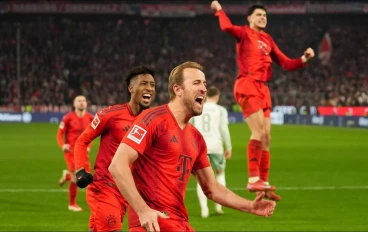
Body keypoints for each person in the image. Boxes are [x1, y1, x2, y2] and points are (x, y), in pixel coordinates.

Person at [109, 61, 276, 232]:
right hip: (154, 224)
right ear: (177, 90)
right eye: (196, 83)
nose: (203, 88)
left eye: (204, 83)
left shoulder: (196, 138)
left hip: (180, 222)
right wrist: (142, 210)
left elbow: (213, 188)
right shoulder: (152, 119)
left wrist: (250, 206)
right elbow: (117, 165)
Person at [211, 1, 315, 201]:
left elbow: (285, 63)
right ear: (249, 18)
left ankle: (264, 184)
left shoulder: (267, 39)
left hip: (263, 89)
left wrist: (303, 59)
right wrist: (219, 10)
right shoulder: (244, 33)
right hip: (247, 83)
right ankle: (252, 179)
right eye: (258, 15)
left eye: (265, 15)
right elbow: (226, 27)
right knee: (258, 131)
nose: (262, 18)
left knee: (267, 137)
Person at [73, 65, 156, 232]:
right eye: (144, 83)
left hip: (127, 192)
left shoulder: (152, 121)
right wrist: (80, 170)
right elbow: (82, 140)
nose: (149, 88)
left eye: (152, 85)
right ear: (131, 88)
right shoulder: (110, 115)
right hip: (105, 188)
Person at [191, 86, 232, 218]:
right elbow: (224, 129)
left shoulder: (196, 107)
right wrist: (229, 146)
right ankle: (219, 206)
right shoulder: (220, 110)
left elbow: (189, 127)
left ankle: (204, 210)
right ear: (218, 96)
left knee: (201, 179)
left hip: (199, 148)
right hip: (216, 147)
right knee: (220, 174)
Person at [56, 95, 94, 211]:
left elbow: (93, 135)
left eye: (83, 100)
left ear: (86, 103)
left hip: (83, 151)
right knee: (75, 178)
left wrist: (89, 146)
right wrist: (63, 145)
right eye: (79, 101)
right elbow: (59, 134)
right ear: (74, 104)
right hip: (71, 151)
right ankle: (72, 204)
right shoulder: (68, 117)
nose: (81, 103)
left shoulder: (91, 118)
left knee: (87, 177)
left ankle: (66, 175)